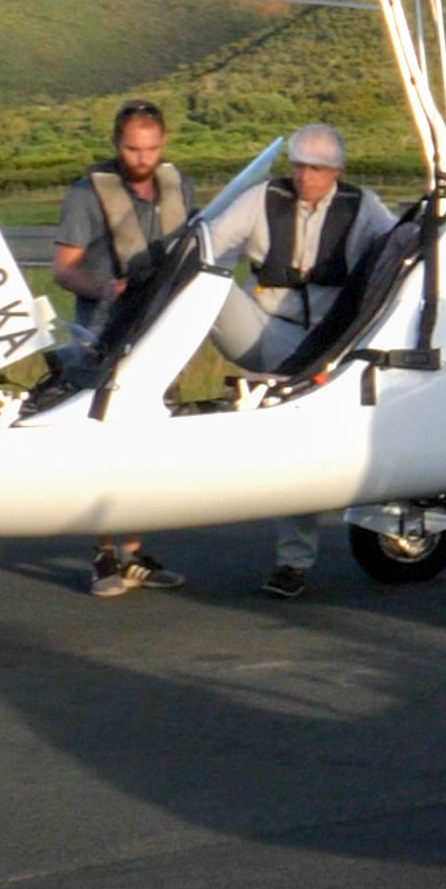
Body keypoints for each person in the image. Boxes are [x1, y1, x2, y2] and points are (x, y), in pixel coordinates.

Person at [202, 124, 402, 600]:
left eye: (314, 168)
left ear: (336, 171)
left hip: (328, 341)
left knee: (300, 446)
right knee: (199, 280)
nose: (304, 176)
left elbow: (401, 249)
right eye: (297, 165)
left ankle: (293, 563)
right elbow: (209, 239)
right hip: (265, 332)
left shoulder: (362, 207)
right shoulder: (261, 198)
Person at [50, 98, 195, 598]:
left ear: (163, 144)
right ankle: (105, 555)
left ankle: (134, 553)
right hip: (105, 328)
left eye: (151, 148)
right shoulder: (86, 196)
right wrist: (103, 289)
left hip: (161, 333)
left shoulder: (178, 186)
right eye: (133, 149)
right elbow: (64, 268)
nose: (142, 158)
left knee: (149, 446)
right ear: (117, 145)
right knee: (107, 445)